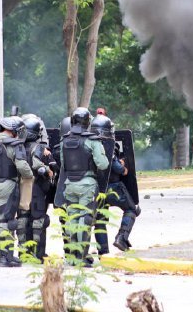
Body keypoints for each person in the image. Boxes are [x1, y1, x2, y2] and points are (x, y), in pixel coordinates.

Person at [59, 107, 109, 265]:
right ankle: (82, 256)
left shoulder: (64, 140)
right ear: (88, 122)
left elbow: (63, 163)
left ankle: (73, 257)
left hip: (69, 184)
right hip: (87, 184)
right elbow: (102, 164)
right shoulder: (92, 140)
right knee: (85, 219)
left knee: (72, 218)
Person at [0, 116, 32, 267]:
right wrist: (30, 176)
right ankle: (6, 257)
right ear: (14, 131)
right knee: (6, 221)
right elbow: (23, 167)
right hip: (6, 185)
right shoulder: (15, 145)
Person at [90, 115, 141, 253]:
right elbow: (117, 169)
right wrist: (123, 167)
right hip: (113, 188)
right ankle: (121, 238)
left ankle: (103, 253)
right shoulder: (107, 146)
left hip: (97, 189)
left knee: (100, 220)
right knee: (132, 209)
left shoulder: (88, 144)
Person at [23, 114, 56, 261]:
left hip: (22, 187)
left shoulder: (17, 146)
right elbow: (45, 168)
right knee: (38, 221)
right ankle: (38, 253)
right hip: (36, 188)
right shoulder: (40, 148)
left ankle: (24, 253)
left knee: (23, 220)